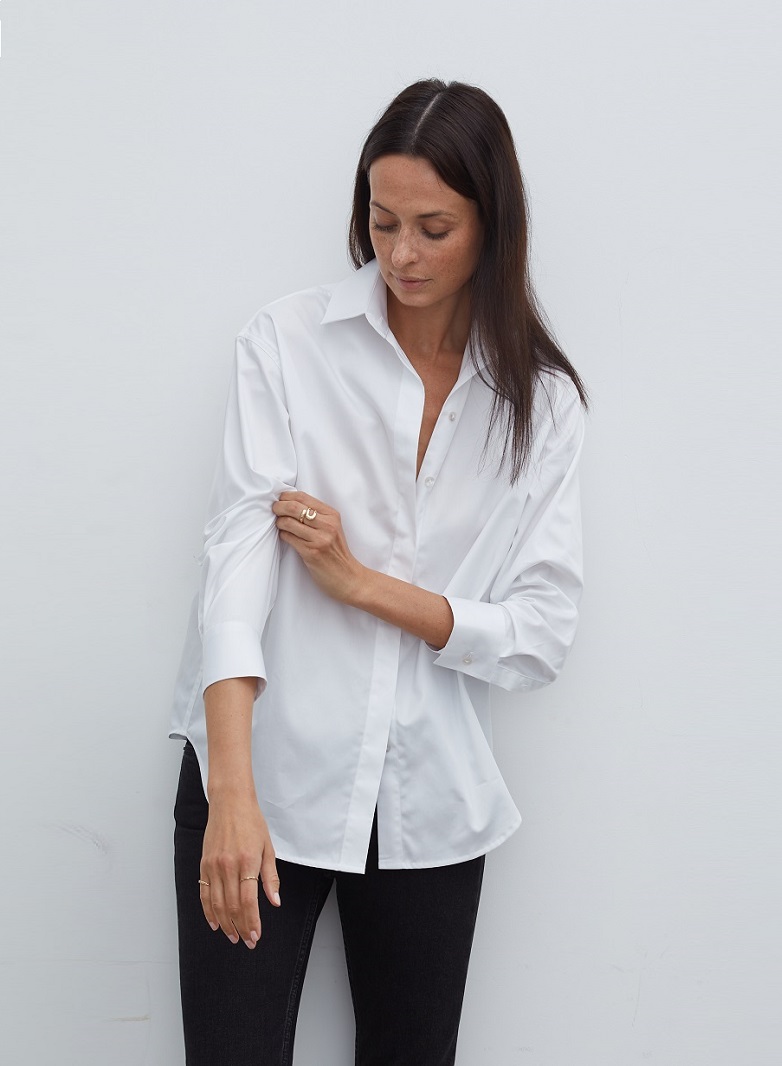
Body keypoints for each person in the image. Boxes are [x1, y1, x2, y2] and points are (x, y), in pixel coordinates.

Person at [169, 77, 588, 1066]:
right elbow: (236, 560)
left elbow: (539, 634)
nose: (400, 254)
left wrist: (363, 585)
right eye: (382, 220)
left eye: (434, 229)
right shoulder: (286, 343)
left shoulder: (541, 404)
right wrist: (230, 790)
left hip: (429, 802)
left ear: (492, 226)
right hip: (261, 775)